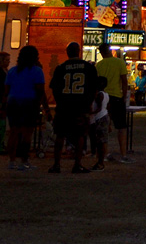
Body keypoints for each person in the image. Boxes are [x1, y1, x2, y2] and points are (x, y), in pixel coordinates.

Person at [48, 41, 99, 174]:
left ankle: (56, 164)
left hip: (64, 106)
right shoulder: (88, 68)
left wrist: (60, 101)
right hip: (80, 106)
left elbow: (54, 88)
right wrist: (88, 103)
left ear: (67, 53)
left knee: (60, 135)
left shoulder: (61, 68)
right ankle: (77, 164)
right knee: (80, 135)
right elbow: (94, 88)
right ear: (79, 51)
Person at [6, 45, 50, 171]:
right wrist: (43, 108)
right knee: (27, 133)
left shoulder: (12, 71)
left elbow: (6, 90)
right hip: (29, 103)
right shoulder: (37, 71)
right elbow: (40, 91)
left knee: (14, 132)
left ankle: (11, 160)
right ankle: (24, 161)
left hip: (13, 102)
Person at [95, 43, 133, 163]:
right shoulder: (119, 62)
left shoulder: (99, 65)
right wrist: (124, 96)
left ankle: (104, 154)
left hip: (103, 98)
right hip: (116, 97)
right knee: (121, 127)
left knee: (103, 127)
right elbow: (124, 81)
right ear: (110, 51)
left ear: (101, 53)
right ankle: (123, 154)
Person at [88, 77, 110, 171]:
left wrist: (90, 113)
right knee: (102, 141)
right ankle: (100, 161)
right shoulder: (106, 94)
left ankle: (100, 162)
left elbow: (99, 108)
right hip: (104, 117)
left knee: (100, 141)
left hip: (99, 118)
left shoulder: (99, 95)